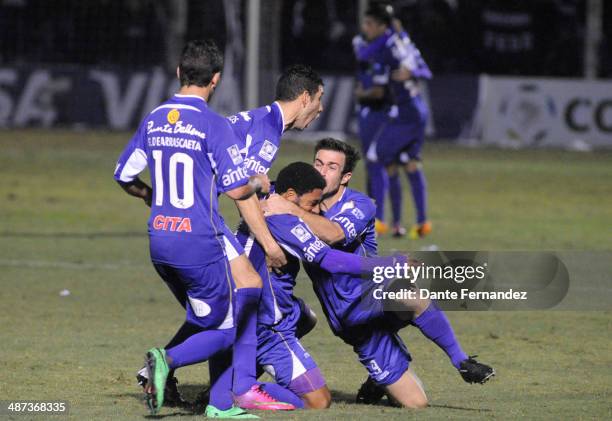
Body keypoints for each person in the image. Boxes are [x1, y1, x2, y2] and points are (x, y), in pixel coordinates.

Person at [114, 39, 291, 419]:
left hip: (160, 239)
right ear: (216, 79)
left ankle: (219, 404)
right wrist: (260, 183)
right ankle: (165, 361)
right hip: (198, 240)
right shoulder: (214, 124)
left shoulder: (155, 117)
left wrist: (149, 195)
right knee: (230, 326)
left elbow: (123, 174)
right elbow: (236, 189)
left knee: (216, 313)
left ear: (179, 73)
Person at [265, 139, 494, 408]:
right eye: (318, 163)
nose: (322, 171)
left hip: (374, 292)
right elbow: (251, 186)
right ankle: (379, 380)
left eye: (331, 167)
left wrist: (285, 207)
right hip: (349, 318)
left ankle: (462, 361)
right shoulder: (298, 196)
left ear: (345, 176)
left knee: (410, 295)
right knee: (416, 403)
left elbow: (333, 234)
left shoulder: (360, 205)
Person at [357, 4, 433, 239]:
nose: (365, 28)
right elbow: (426, 72)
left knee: (374, 156)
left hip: (405, 112)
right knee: (409, 162)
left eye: (370, 24)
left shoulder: (388, 46)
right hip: (419, 109)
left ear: (383, 26)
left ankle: (379, 221)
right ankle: (422, 223)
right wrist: (414, 72)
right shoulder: (405, 43)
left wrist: (387, 36)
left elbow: (363, 55)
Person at [352, 31, 403, 237]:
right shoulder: (363, 65)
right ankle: (380, 218)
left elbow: (378, 92)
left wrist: (361, 94)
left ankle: (384, 219)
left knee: (381, 164)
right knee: (373, 166)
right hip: (368, 117)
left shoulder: (380, 62)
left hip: (383, 116)